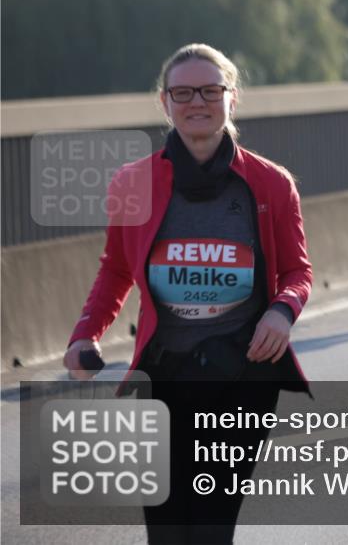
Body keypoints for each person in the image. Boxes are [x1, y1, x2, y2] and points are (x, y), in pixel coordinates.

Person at [63, 43, 312, 544]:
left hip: (242, 378)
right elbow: (115, 271)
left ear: (232, 98)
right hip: (161, 379)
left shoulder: (270, 184)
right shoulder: (132, 182)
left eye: (210, 90)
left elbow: (296, 271)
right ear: (165, 102)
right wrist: (84, 334)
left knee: (211, 528)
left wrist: (282, 312)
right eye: (183, 92)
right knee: (167, 530)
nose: (197, 102)